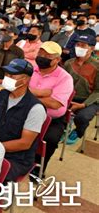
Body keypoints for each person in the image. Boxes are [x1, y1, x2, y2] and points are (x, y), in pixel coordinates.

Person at [0, 59, 47, 182]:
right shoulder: (1, 94)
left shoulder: (35, 108)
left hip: (17, 158)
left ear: (25, 80)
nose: (6, 78)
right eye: (6, 75)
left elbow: (25, 143)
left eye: (11, 76)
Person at [29, 41, 74, 177]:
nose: (42, 57)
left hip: (51, 118)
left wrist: (30, 93)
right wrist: (42, 93)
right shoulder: (31, 69)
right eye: (40, 53)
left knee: (51, 139)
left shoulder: (65, 78)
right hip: (27, 112)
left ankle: (39, 168)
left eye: (47, 55)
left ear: (57, 60)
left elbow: (54, 104)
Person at [63, 35, 98, 144]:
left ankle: (78, 131)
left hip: (89, 100)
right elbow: (63, 84)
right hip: (70, 97)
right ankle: (64, 128)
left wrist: (83, 105)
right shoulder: (68, 63)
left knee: (82, 118)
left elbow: (98, 91)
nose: (79, 47)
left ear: (91, 48)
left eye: (83, 45)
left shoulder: (97, 66)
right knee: (55, 111)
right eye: (77, 44)